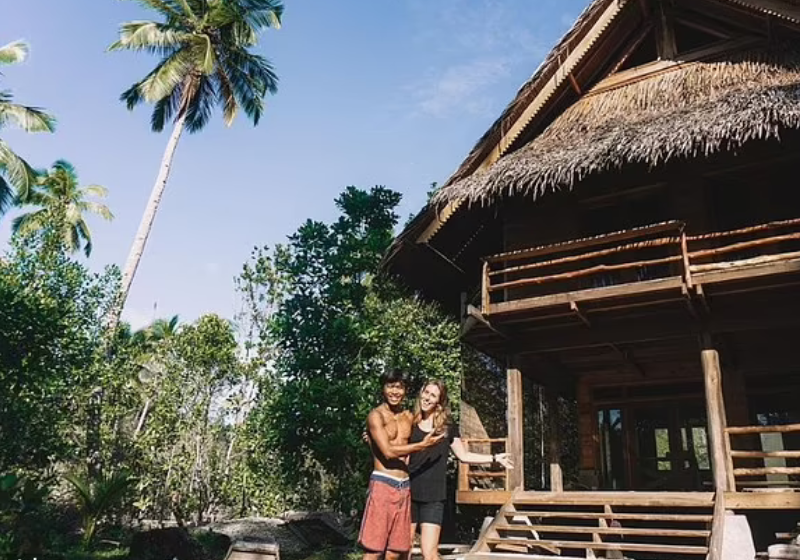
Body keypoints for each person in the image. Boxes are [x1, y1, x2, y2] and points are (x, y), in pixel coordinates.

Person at [408, 380, 513, 560]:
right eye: (426, 392)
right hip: (408, 493)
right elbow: (395, 450)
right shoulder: (409, 422)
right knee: (404, 550)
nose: (427, 398)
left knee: (430, 553)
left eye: (433, 395)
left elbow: (464, 456)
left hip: (433, 497)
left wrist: (495, 458)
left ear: (439, 402)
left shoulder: (447, 428)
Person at [360, 370, 445, 560]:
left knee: (394, 552)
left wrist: (437, 407)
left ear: (405, 391)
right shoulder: (376, 416)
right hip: (383, 485)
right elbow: (388, 452)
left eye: (399, 387)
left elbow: (428, 420)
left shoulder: (409, 416)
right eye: (390, 386)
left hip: (404, 488)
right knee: (373, 550)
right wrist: (421, 446)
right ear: (383, 388)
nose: (395, 392)